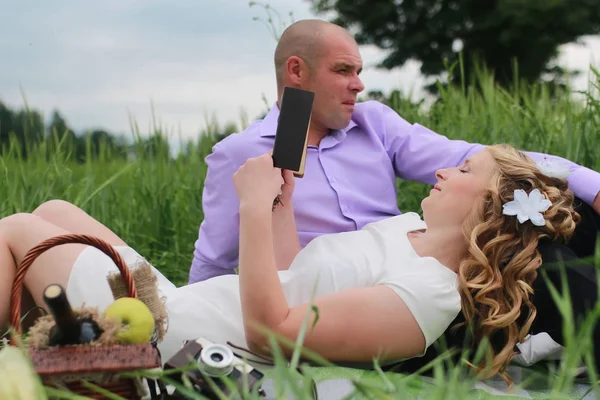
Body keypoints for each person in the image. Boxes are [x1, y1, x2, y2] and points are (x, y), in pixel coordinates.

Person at [0, 145, 581, 381]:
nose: (445, 171)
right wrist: (281, 205)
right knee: (55, 208)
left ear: (486, 206)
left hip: (185, 339)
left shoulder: (429, 297)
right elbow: (290, 277)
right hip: (194, 304)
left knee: (18, 232)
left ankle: (31, 366)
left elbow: (273, 330)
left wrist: (251, 211)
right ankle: (36, 362)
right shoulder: (409, 227)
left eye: (464, 171)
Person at [188, 19, 600, 285]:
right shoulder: (243, 154)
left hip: (418, 265)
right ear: (296, 71)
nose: (358, 85)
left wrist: (591, 184)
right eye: (343, 71)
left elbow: (476, 155)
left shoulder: (374, 124)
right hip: (347, 295)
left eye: (359, 72)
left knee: (569, 223)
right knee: (552, 276)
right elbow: (214, 261)